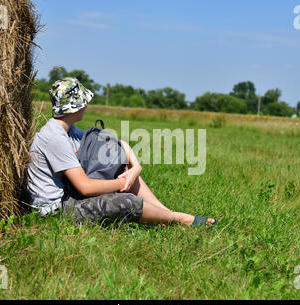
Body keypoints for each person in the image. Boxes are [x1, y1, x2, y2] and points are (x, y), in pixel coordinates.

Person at [27, 77, 217, 228]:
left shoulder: (70, 131)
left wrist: (135, 168)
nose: (86, 106)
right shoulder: (54, 137)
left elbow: (116, 145)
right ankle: (177, 219)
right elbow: (85, 187)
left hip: (69, 194)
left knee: (119, 166)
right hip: (57, 209)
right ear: (75, 107)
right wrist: (121, 183)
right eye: (84, 102)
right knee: (126, 202)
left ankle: (167, 215)